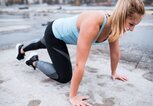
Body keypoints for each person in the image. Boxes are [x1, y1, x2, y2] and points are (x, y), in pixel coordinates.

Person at [16, 0, 145, 105]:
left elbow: (115, 53)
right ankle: (33, 61)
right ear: (122, 16)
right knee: (64, 77)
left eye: (135, 26)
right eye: (131, 24)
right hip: (54, 33)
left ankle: (22, 49)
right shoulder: (94, 23)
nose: (132, 29)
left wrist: (114, 73)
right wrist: (73, 96)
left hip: (60, 30)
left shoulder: (116, 27)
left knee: (43, 43)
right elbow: (80, 64)